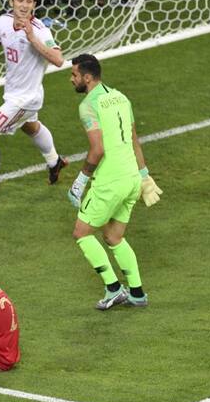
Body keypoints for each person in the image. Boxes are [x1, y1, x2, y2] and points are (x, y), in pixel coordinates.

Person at [67, 54, 162, 310]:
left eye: (74, 75)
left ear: (87, 77)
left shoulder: (88, 105)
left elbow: (97, 149)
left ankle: (113, 288)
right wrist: (144, 176)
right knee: (113, 236)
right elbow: (134, 140)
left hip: (110, 182)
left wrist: (80, 180)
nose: (71, 79)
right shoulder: (121, 97)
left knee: (81, 233)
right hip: (131, 178)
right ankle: (137, 293)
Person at [0, 0, 69, 197]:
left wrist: (32, 39)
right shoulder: (4, 21)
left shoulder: (40, 30)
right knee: (30, 126)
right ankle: (54, 161)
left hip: (25, 100)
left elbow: (58, 60)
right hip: (14, 93)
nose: (24, 5)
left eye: (29, 1)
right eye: (20, 0)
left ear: (34, 4)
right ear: (11, 2)